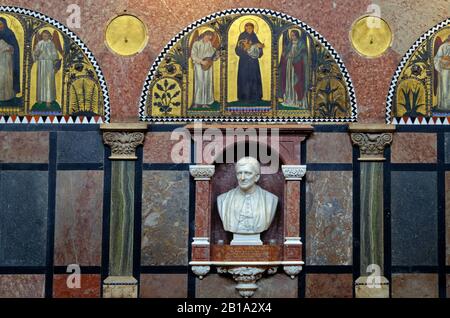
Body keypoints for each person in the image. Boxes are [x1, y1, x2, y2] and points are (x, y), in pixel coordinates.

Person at [217, 157, 278, 245]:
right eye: (239, 173)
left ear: (256, 177)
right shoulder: (223, 200)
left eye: (247, 173)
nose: (242, 178)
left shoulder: (271, 199)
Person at [279, 29, 309, 108]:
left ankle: (298, 100)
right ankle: (289, 99)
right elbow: (286, 53)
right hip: (289, 65)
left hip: (297, 66)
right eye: (291, 35)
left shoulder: (301, 44)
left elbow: (303, 56)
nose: (292, 37)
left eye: (293, 35)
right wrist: (285, 54)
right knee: (289, 81)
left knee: (296, 81)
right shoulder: (289, 44)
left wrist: (295, 55)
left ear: (297, 35)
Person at [235, 23, 264, 103]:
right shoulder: (242, 36)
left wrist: (260, 47)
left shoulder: (254, 36)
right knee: (244, 78)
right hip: (244, 61)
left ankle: (256, 97)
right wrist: (244, 49)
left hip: (253, 62)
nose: (249, 29)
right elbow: (237, 49)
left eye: (250, 28)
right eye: (247, 28)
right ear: (245, 28)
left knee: (254, 78)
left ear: (253, 28)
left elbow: (260, 50)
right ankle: (244, 97)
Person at [190, 31, 219, 108]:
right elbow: (193, 55)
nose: (209, 39)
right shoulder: (196, 44)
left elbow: (212, 54)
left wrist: (216, 55)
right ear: (204, 35)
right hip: (199, 65)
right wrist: (201, 61)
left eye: (210, 38)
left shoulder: (209, 44)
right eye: (208, 37)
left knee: (207, 83)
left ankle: (205, 103)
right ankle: (196, 102)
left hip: (208, 65)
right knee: (199, 83)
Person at [33, 30, 60, 107]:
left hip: (49, 63)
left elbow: (55, 53)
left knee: (49, 81)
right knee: (41, 80)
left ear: (49, 36)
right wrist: (37, 53)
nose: (44, 37)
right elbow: (35, 53)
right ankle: (40, 98)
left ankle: (49, 99)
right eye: (43, 36)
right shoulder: (39, 43)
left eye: (46, 36)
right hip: (41, 63)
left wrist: (54, 59)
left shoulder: (51, 44)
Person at [0, 17, 20, 101]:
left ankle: (7, 96)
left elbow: (14, 47)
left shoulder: (9, 33)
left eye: (0, 24)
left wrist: (6, 48)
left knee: (6, 77)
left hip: (7, 60)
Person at [434, 35, 450, 110]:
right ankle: (445, 106)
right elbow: (437, 58)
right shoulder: (443, 46)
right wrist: (444, 60)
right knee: (445, 87)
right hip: (444, 71)